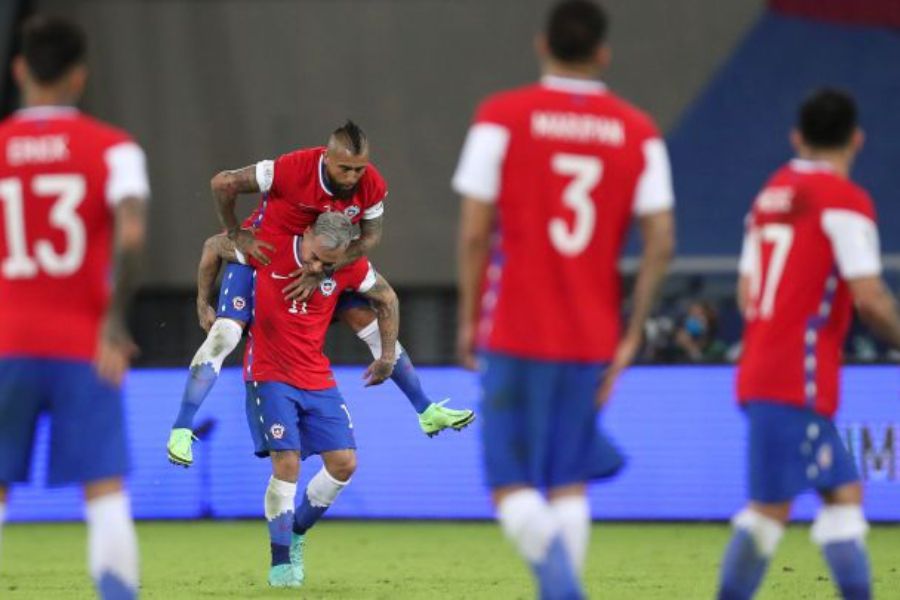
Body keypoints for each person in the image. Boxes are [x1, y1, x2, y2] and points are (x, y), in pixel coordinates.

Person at [453, 1, 675, 597]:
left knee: (509, 481)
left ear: (541, 44)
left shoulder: (501, 117)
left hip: (516, 326)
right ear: (603, 53)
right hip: (593, 332)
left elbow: (476, 233)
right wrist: (631, 330)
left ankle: (563, 592)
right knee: (568, 478)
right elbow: (662, 240)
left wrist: (470, 318)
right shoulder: (640, 131)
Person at [166, 122, 474, 467]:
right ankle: (181, 428)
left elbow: (370, 238)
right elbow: (224, 183)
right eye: (345, 167)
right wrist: (236, 235)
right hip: (268, 254)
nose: (353, 176)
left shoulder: (371, 185)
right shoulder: (292, 168)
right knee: (226, 333)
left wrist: (325, 269)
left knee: (368, 320)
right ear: (326, 158)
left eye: (360, 168)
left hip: (321, 263)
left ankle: (425, 409)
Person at [717, 89, 900, 600]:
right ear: (857, 140)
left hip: (762, 367)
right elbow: (871, 299)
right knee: (768, 511)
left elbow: (746, 291)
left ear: (797, 137)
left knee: (843, 493)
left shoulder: (770, 196)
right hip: (795, 377)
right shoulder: (845, 202)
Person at [0, 15, 148, 600]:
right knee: (104, 490)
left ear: (19, 71)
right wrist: (114, 323)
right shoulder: (115, 150)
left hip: (5, 343)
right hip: (84, 344)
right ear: (79, 77)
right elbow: (132, 235)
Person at [208, 211, 399, 587]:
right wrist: (204, 301)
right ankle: (280, 564)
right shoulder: (271, 248)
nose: (317, 266)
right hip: (270, 374)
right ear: (307, 232)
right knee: (287, 464)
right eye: (315, 256)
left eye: (328, 262)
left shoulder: (346, 267)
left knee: (344, 463)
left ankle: (294, 532)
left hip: (316, 376)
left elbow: (387, 297)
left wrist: (388, 355)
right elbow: (213, 246)